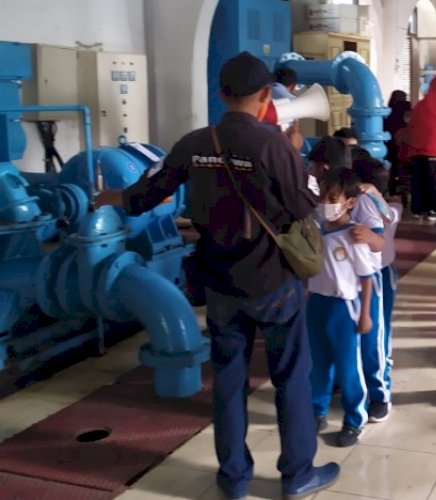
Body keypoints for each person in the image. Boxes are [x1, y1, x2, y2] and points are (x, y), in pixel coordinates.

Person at [93, 51, 339, 499]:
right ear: (266, 96)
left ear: (221, 94)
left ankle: (233, 479)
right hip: (273, 281)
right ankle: (297, 474)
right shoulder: (271, 146)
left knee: (229, 381)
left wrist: (112, 198)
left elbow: (147, 194)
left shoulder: (193, 143)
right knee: (291, 376)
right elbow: (306, 206)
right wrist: (293, 154)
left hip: (220, 282)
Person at [307, 168, 377, 447]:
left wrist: (365, 314)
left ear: (350, 202)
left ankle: (354, 419)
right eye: (322, 195)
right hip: (317, 303)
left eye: (332, 197)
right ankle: (316, 410)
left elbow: (367, 278)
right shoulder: (316, 230)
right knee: (318, 363)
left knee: (349, 368)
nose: (325, 202)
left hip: (344, 307)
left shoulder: (354, 236)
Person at [354, 158, 403, 395]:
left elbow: (389, 217)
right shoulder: (362, 204)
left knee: (379, 326)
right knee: (369, 327)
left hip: (382, 273)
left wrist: (374, 195)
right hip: (362, 272)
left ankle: (381, 380)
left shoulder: (387, 207)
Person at [407, 76, 436, 220]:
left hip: (417, 149)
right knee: (435, 181)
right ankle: (434, 210)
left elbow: (412, 125)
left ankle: (417, 210)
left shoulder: (420, 105)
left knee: (418, 181)